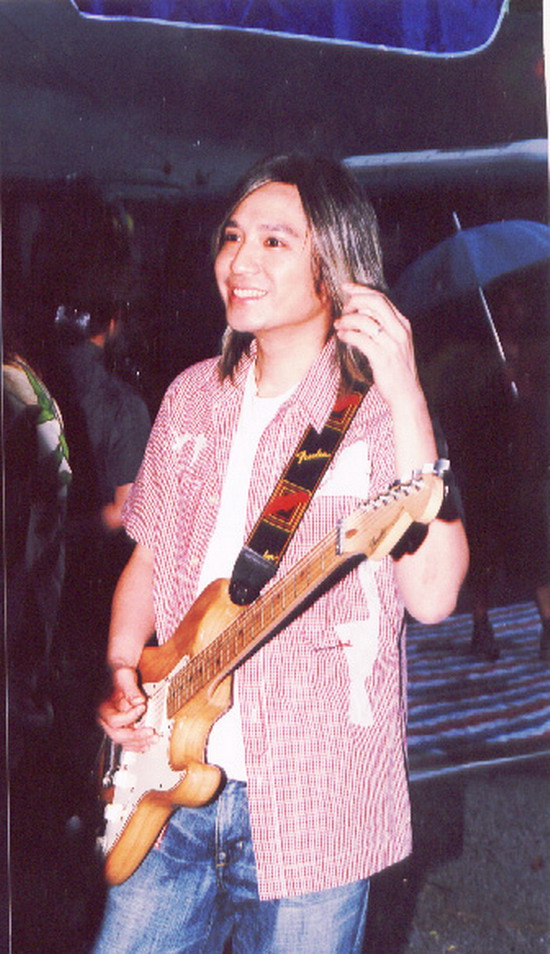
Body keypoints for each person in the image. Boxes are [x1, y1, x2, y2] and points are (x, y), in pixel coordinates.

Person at [92, 154, 468, 954]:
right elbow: (149, 559)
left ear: (337, 265)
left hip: (313, 805)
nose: (239, 260)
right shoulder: (191, 396)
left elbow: (434, 595)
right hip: (167, 795)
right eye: (233, 236)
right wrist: (126, 668)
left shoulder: (382, 417)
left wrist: (407, 392)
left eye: (273, 241)